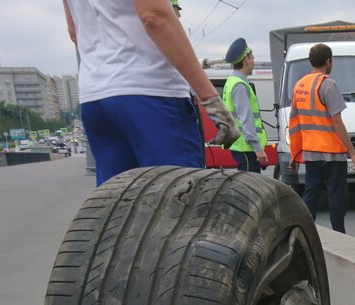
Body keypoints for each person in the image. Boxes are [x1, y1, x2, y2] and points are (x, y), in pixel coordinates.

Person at [60, 0, 238, 186]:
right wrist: (210, 98)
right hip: (151, 92)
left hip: (95, 98)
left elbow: (74, 31)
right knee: (177, 196)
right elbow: (154, 17)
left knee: (116, 202)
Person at [287, 43, 355, 234]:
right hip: (332, 154)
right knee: (337, 197)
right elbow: (337, 122)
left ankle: (304, 233)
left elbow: (295, 123)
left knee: (311, 194)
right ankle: (339, 234)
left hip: (312, 153)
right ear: (328, 61)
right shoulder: (328, 84)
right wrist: (353, 154)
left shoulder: (300, 86)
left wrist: (295, 155)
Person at [222, 38, 269, 173]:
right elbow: (246, 119)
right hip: (246, 147)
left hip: (241, 145)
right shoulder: (239, 85)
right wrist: (258, 149)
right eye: (252, 58)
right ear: (246, 60)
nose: (254, 62)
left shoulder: (231, 82)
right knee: (251, 191)